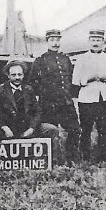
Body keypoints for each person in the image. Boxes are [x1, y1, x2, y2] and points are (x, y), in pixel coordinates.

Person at [0, 61, 59, 169]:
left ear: (23, 75)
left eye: (20, 74)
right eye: (13, 75)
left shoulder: (29, 89)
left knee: (52, 129)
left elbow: (37, 111)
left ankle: (53, 163)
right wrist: (4, 127)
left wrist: (32, 128)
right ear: (8, 75)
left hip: (26, 128)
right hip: (7, 129)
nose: (17, 77)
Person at [28, 29, 82, 164]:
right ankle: (51, 159)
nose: (55, 43)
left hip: (66, 103)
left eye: (57, 40)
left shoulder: (65, 59)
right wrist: (46, 93)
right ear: (47, 41)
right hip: (49, 104)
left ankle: (71, 158)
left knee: (75, 129)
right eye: (52, 40)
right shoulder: (40, 60)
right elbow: (33, 82)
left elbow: (70, 78)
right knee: (50, 131)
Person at [73, 29, 106, 161]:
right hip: (86, 97)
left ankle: (103, 156)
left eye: (98, 40)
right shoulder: (81, 59)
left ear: (103, 42)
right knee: (86, 128)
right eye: (93, 40)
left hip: (103, 97)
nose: (95, 43)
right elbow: (75, 80)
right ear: (88, 42)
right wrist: (87, 78)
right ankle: (85, 156)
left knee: (103, 128)